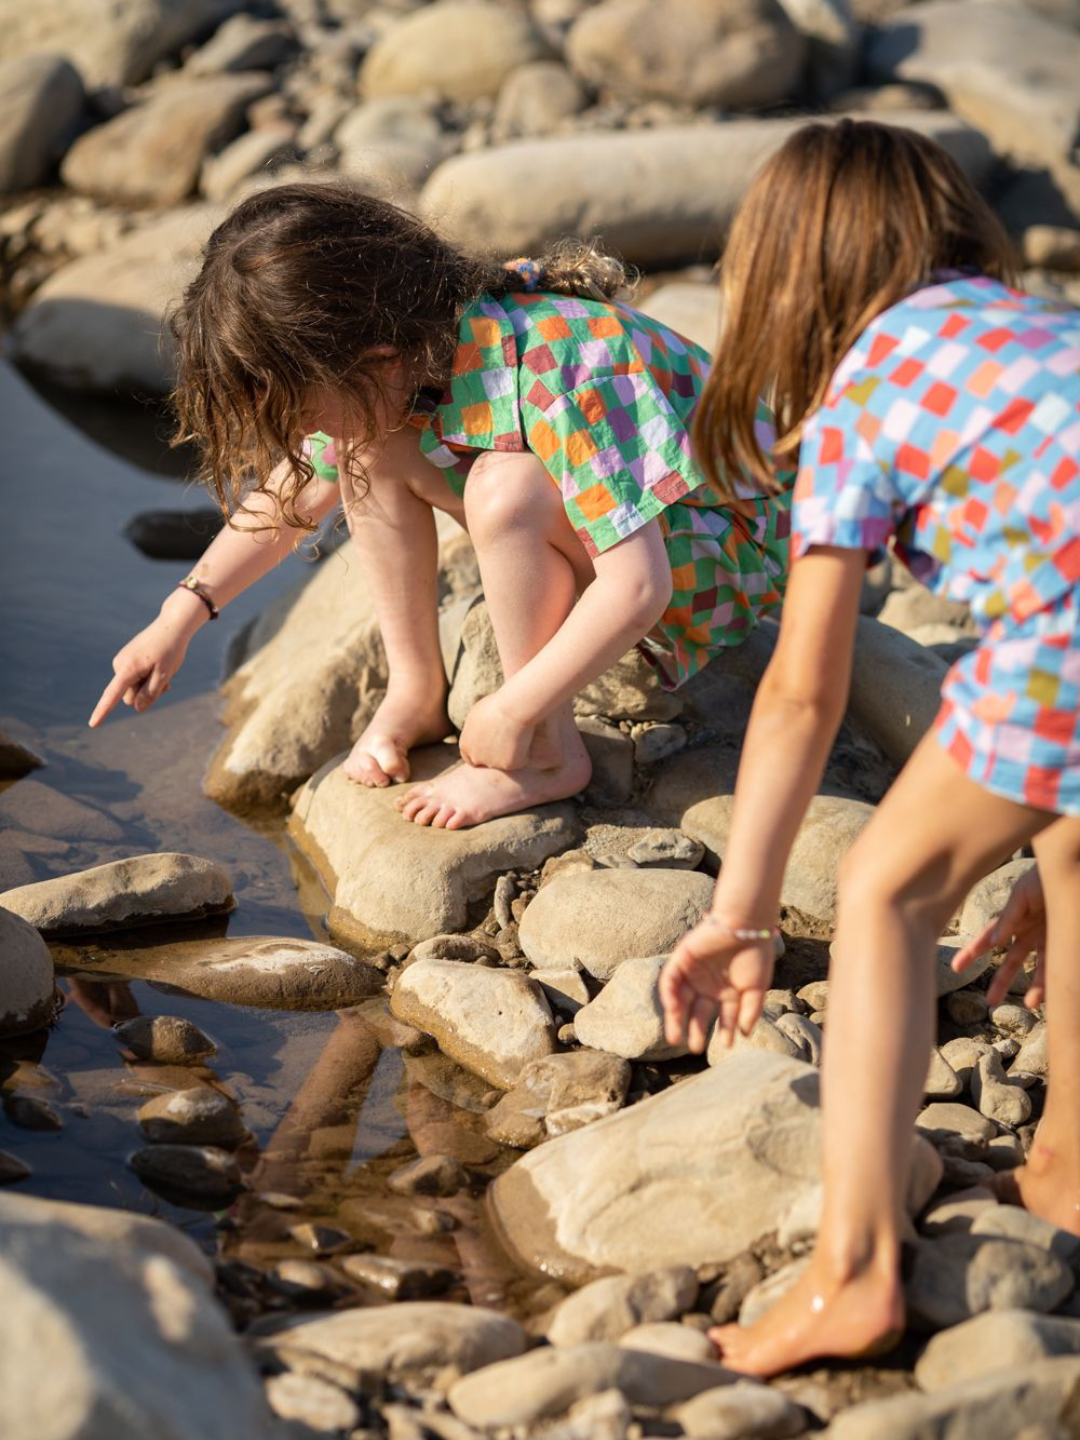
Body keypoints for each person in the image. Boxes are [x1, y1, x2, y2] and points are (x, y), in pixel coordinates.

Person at [659, 119, 1080, 1376]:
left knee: (886, 886)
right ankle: (1063, 1163)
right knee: (1066, 857)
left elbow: (802, 691)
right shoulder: (1042, 325)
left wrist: (740, 914)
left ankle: (850, 1276)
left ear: (785, 272)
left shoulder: (867, 386)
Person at [89, 183, 789, 829]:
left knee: (506, 490)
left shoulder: (563, 364)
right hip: (647, 535)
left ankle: (546, 754)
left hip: (727, 559)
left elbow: (640, 586)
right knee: (364, 453)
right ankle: (417, 689)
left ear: (380, 356)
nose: (302, 432)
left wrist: (512, 707)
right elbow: (299, 492)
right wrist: (178, 616)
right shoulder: (423, 347)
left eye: (302, 409)